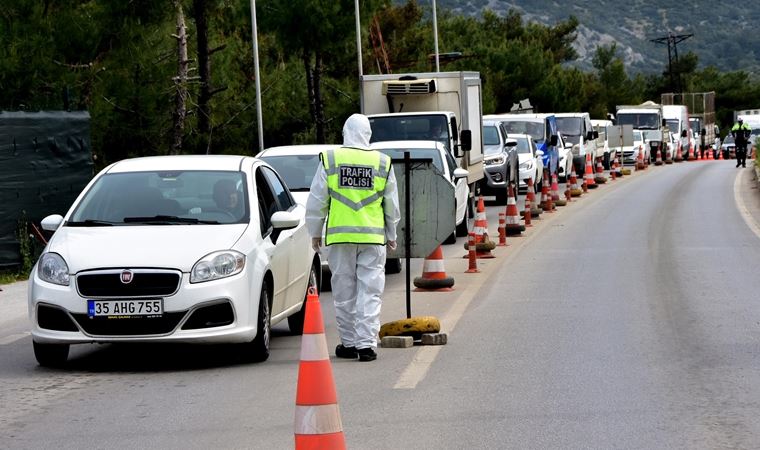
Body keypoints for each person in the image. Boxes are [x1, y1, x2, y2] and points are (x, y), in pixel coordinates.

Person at [305, 113, 400, 362]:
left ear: (345, 132)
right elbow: (391, 203)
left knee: (344, 291)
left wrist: (315, 231)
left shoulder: (331, 159)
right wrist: (392, 233)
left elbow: (317, 199)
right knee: (370, 290)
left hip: (340, 238)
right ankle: (366, 345)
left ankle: (348, 343)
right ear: (368, 134)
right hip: (372, 237)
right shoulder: (382, 162)